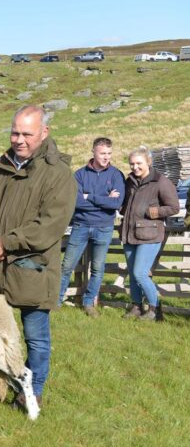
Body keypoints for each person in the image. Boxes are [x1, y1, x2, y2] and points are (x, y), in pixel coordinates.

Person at [0, 105, 76, 410]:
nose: (19, 139)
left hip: (32, 269)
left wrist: (5, 243)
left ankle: (32, 391)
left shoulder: (58, 175)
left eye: (27, 133)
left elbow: (48, 227)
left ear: (44, 133)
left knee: (36, 335)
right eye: (15, 132)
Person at [58, 137, 125, 316]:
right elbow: (75, 202)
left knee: (97, 267)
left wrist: (90, 197)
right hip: (80, 225)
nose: (106, 157)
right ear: (93, 152)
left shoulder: (116, 175)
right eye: (103, 153)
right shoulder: (80, 174)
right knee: (67, 265)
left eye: (109, 153)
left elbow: (116, 203)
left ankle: (89, 303)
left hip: (104, 228)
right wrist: (104, 199)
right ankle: (56, 300)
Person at [119, 146, 179, 321]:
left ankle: (154, 309)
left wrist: (153, 212)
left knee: (140, 273)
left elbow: (174, 207)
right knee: (132, 273)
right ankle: (137, 306)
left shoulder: (161, 181)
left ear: (148, 162)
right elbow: (125, 203)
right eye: (132, 164)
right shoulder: (130, 180)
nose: (135, 167)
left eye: (139, 163)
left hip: (150, 235)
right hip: (130, 233)